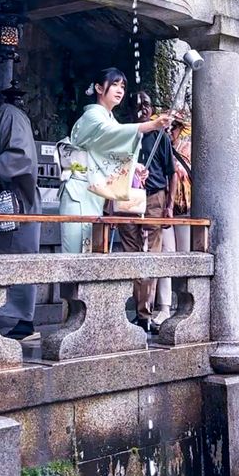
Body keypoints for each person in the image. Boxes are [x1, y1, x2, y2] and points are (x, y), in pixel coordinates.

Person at [57, 68, 169, 255]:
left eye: (122, 86)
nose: (120, 90)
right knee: (74, 254)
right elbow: (113, 134)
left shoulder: (109, 119)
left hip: (93, 192)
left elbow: (112, 151)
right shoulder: (92, 116)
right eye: (115, 85)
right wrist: (152, 125)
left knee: (89, 253)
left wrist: (135, 167)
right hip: (77, 190)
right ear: (100, 88)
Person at [0, 73, 42, 342]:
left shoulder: (10, 116)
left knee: (19, 258)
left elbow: (21, 156)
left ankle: (22, 322)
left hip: (17, 200)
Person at [118, 91, 177, 334]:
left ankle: (146, 313)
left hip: (154, 195)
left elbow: (170, 172)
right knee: (131, 251)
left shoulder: (160, 136)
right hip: (127, 196)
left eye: (146, 104)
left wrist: (169, 205)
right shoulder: (124, 132)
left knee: (151, 252)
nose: (142, 108)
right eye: (137, 104)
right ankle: (139, 310)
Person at [153, 110, 192, 327]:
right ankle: (164, 306)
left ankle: (184, 304)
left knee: (185, 256)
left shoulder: (188, 148)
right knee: (165, 255)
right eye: (167, 128)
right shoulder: (159, 146)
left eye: (174, 128)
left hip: (185, 207)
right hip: (164, 207)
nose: (170, 132)